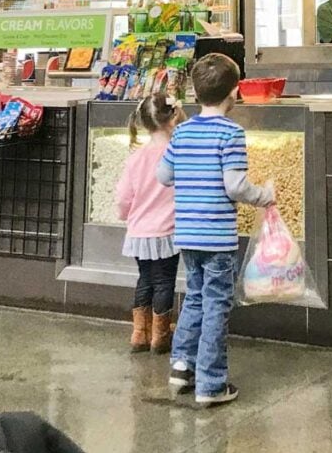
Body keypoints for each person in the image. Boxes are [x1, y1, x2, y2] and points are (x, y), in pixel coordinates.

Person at [157, 54, 275, 406]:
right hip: (218, 238)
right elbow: (235, 186)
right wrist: (264, 196)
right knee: (216, 306)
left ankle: (181, 367)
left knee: (194, 297)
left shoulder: (182, 132)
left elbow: (163, 177)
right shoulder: (231, 132)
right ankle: (211, 383)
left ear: (194, 91)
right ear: (234, 93)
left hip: (188, 235)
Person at [115, 93, 182, 355]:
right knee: (165, 281)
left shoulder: (136, 157)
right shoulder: (177, 153)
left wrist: (125, 216)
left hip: (139, 231)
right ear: (173, 116)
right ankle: (160, 336)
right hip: (167, 231)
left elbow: (123, 197)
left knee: (145, 279)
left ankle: (139, 334)